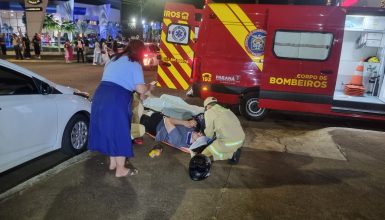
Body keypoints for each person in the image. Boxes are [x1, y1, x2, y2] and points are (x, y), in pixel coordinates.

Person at [88, 39, 153, 178]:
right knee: (120, 132)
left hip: (100, 95)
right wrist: (149, 87)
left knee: (110, 130)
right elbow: (140, 88)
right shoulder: (134, 64)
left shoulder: (113, 59)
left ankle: (113, 163)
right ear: (140, 52)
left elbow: (111, 78)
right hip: (116, 99)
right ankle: (120, 169)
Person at [202, 97, 245, 164]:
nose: (206, 110)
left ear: (208, 106)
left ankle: (231, 155)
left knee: (204, 154)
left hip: (229, 143)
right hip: (240, 140)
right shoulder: (227, 110)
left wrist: (204, 140)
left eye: (205, 108)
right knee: (221, 141)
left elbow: (209, 133)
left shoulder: (209, 112)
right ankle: (234, 152)